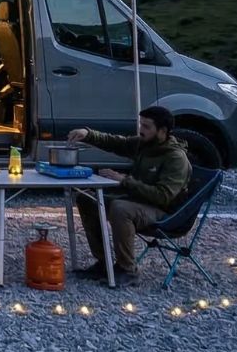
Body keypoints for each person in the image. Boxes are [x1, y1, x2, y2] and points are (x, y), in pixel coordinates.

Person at [67, 106, 192, 283]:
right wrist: (87, 134)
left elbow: (163, 196)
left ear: (162, 131)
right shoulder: (145, 144)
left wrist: (124, 180)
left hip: (162, 210)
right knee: (86, 198)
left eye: (147, 127)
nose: (141, 130)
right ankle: (104, 263)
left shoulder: (176, 158)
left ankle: (127, 269)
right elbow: (114, 142)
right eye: (141, 124)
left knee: (120, 208)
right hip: (138, 201)